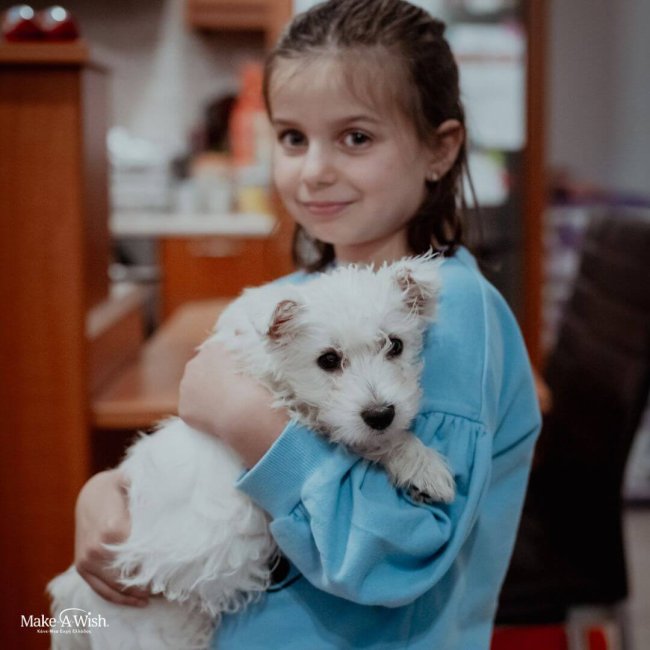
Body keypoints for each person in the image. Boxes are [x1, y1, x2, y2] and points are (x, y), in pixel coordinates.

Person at [74, 1, 541, 647]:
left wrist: (247, 420)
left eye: (356, 138)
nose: (315, 170)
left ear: (439, 149)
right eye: (293, 138)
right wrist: (107, 491)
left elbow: (394, 553)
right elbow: (199, 459)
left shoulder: (451, 312)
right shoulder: (290, 300)